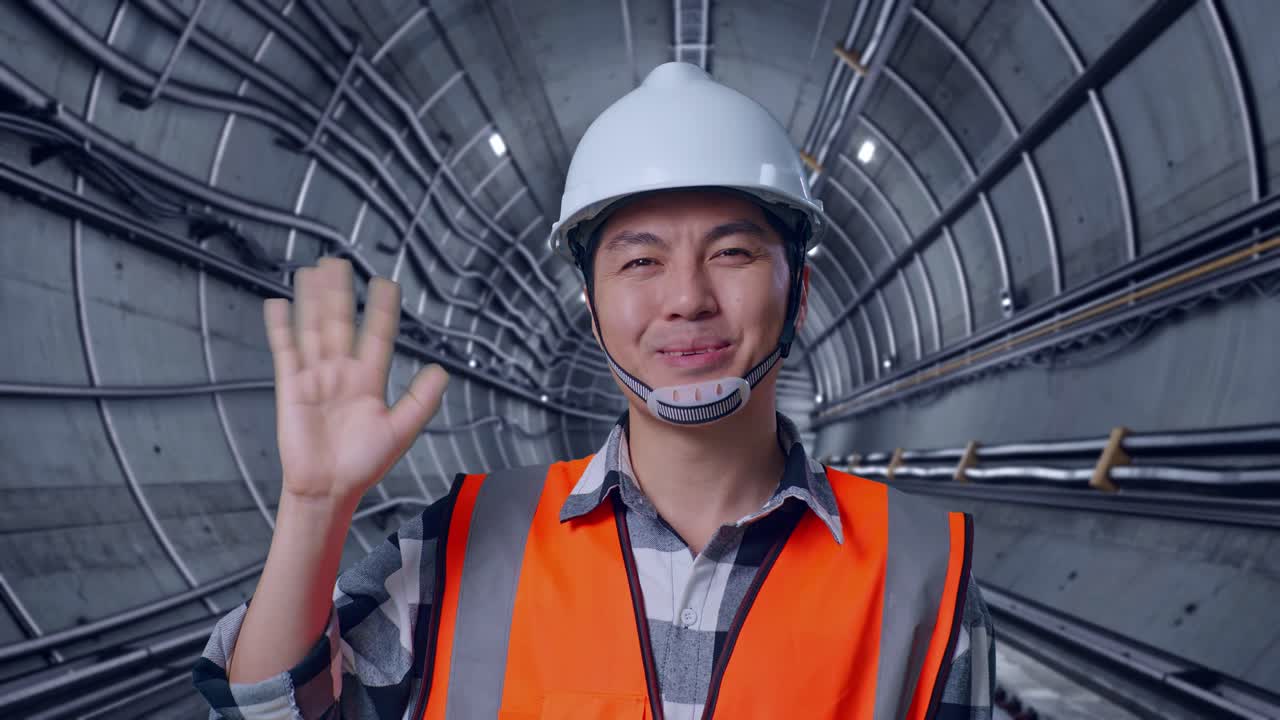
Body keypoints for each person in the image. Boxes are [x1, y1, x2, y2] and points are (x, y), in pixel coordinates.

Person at [194, 62, 995, 719]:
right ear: (592, 304)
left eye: (734, 254)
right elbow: (265, 715)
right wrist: (313, 505)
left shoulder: (922, 571)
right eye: (640, 261)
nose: (687, 298)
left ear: (802, 291)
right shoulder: (462, 544)